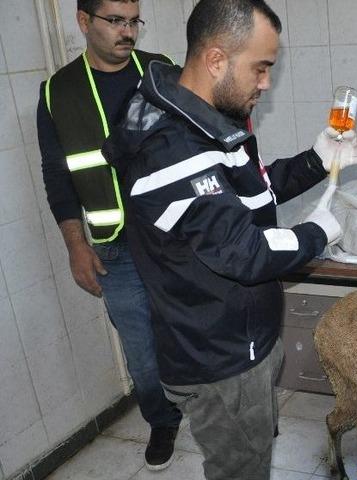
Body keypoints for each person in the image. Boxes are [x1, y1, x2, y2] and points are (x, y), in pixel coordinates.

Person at [101, 0, 357, 478]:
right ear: (216, 60)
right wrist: (318, 233)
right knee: (241, 469)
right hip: (221, 360)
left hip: (241, 340)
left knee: (253, 455)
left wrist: (316, 159)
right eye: (261, 68)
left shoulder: (206, 125)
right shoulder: (175, 151)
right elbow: (244, 253)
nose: (266, 83)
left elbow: (250, 192)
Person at [37, 0, 182, 470]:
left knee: (196, 326)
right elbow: (57, 176)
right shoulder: (58, 92)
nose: (128, 32)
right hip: (114, 247)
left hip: (174, 234)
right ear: (84, 21)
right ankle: (161, 419)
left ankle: (214, 405)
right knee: (139, 349)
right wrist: (76, 246)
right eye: (116, 21)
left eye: (133, 21)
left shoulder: (161, 71)